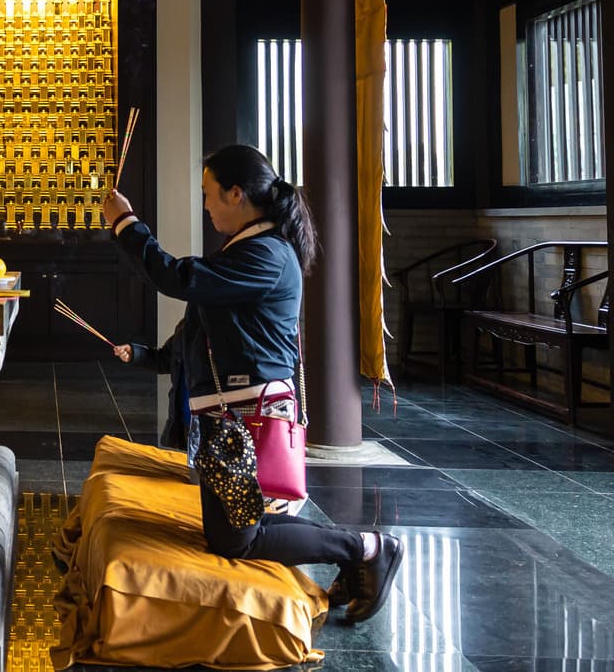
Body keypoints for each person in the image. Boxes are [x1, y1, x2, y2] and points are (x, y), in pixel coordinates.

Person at [102, 144, 403, 623]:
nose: (205, 205)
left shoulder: (265, 255)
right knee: (231, 534)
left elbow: (179, 277)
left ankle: (367, 548)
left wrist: (127, 224)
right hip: (231, 417)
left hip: (249, 418)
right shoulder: (250, 249)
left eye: (208, 194)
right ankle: (360, 554)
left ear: (237, 193)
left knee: (239, 538)